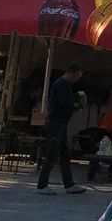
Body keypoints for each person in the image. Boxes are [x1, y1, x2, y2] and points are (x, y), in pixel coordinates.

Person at [36, 63, 87, 194]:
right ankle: (42, 185)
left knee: (64, 155)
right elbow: (65, 102)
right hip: (55, 124)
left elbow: (66, 104)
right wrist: (77, 97)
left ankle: (69, 184)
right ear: (73, 73)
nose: (78, 79)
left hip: (61, 124)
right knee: (51, 154)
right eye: (78, 76)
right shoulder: (61, 85)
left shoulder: (66, 85)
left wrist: (76, 107)